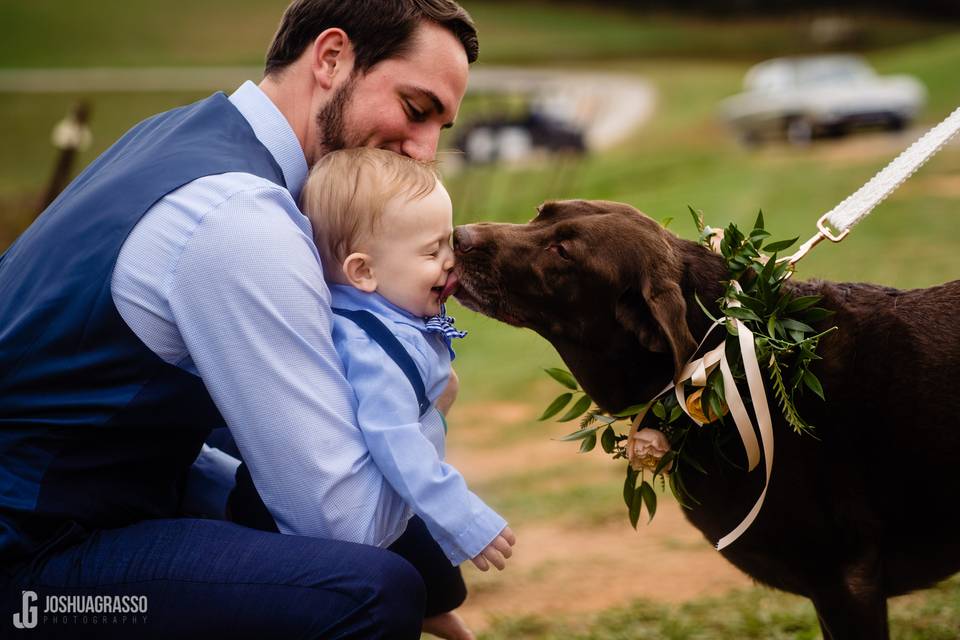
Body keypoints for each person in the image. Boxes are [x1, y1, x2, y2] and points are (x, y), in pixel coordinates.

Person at [0, 1, 504, 638]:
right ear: (330, 58)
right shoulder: (241, 219)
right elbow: (344, 522)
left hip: (100, 491)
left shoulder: (178, 135)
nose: (425, 150)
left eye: (442, 127)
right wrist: (421, 399)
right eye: (415, 108)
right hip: (28, 566)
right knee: (370, 593)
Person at [299, 146, 515, 573]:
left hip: (392, 512)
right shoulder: (370, 349)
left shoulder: (385, 315)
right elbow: (397, 441)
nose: (451, 261)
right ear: (363, 272)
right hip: (361, 527)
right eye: (432, 253)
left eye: (447, 243)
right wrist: (464, 517)